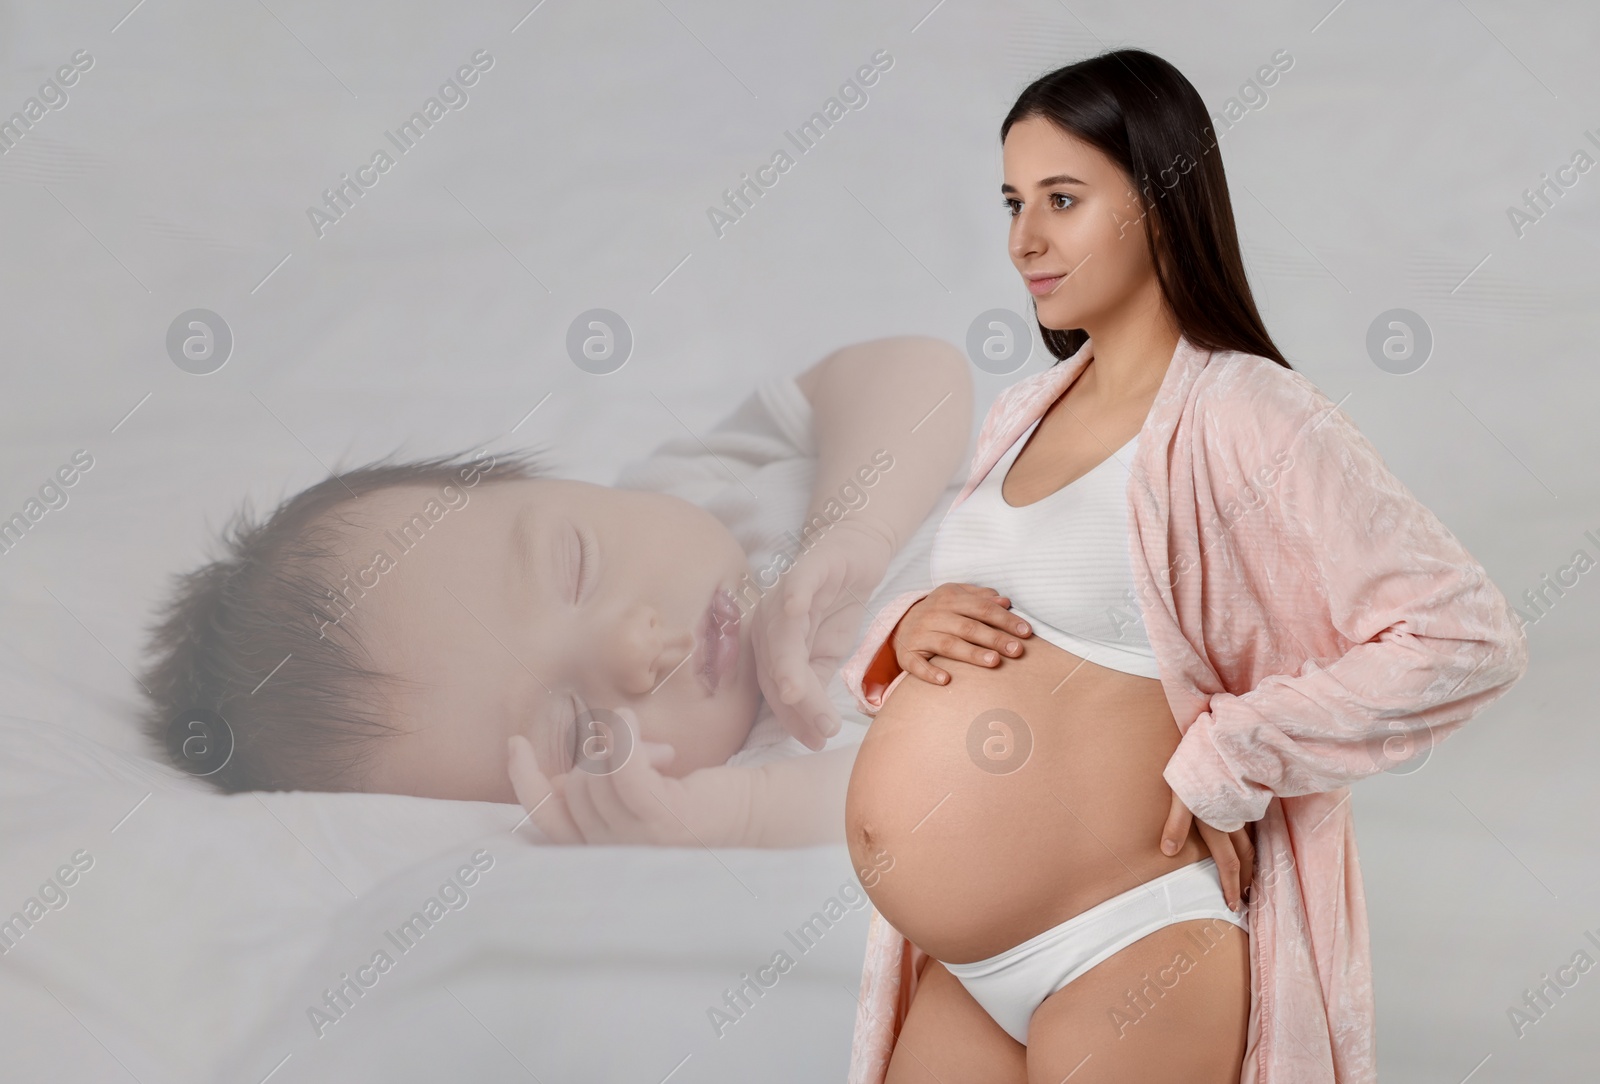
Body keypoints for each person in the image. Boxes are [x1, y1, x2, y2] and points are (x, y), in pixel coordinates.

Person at [832, 49, 1528, 1083]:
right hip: (968, 965)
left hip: (1131, 941)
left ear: (1159, 200)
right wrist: (907, 626)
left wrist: (1232, 753)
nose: (1025, 239)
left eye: (1062, 199)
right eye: (1013, 202)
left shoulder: (1246, 411)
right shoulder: (1024, 408)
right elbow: (1029, 603)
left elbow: (1464, 637)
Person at [137, 336, 974, 848]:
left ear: (563, 487)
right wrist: (744, 817)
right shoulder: (754, 769)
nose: (633, 649)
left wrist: (856, 527)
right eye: (578, 730)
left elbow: (920, 371)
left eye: (575, 564)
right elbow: (928, 797)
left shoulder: (697, 484)